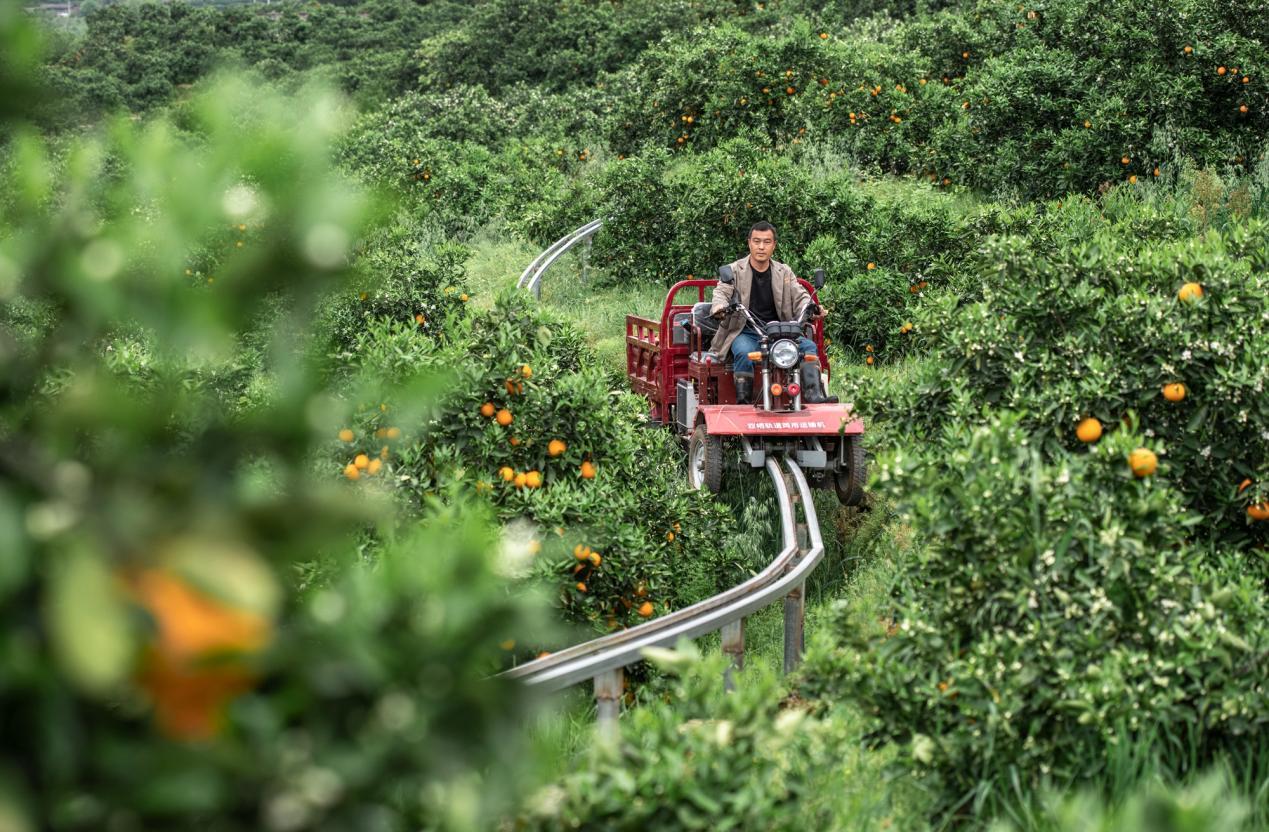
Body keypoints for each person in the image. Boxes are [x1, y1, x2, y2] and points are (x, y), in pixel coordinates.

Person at [707, 222, 835, 405]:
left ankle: (814, 397)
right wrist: (719, 307)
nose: (761, 247)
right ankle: (744, 404)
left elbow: (799, 295)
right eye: (756, 241)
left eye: (767, 242)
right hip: (746, 331)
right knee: (744, 352)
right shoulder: (733, 271)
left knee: (809, 348)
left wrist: (811, 307)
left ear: (774, 245)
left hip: (780, 332)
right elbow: (722, 292)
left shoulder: (784, 272)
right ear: (749, 243)